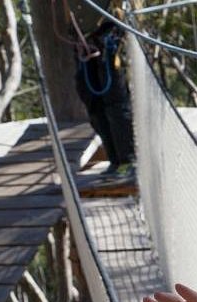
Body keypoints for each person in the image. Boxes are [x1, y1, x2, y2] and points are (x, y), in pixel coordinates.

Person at [73, 12, 135, 179]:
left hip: (109, 34)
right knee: (94, 104)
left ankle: (128, 161)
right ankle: (115, 160)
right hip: (84, 35)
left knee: (116, 105)